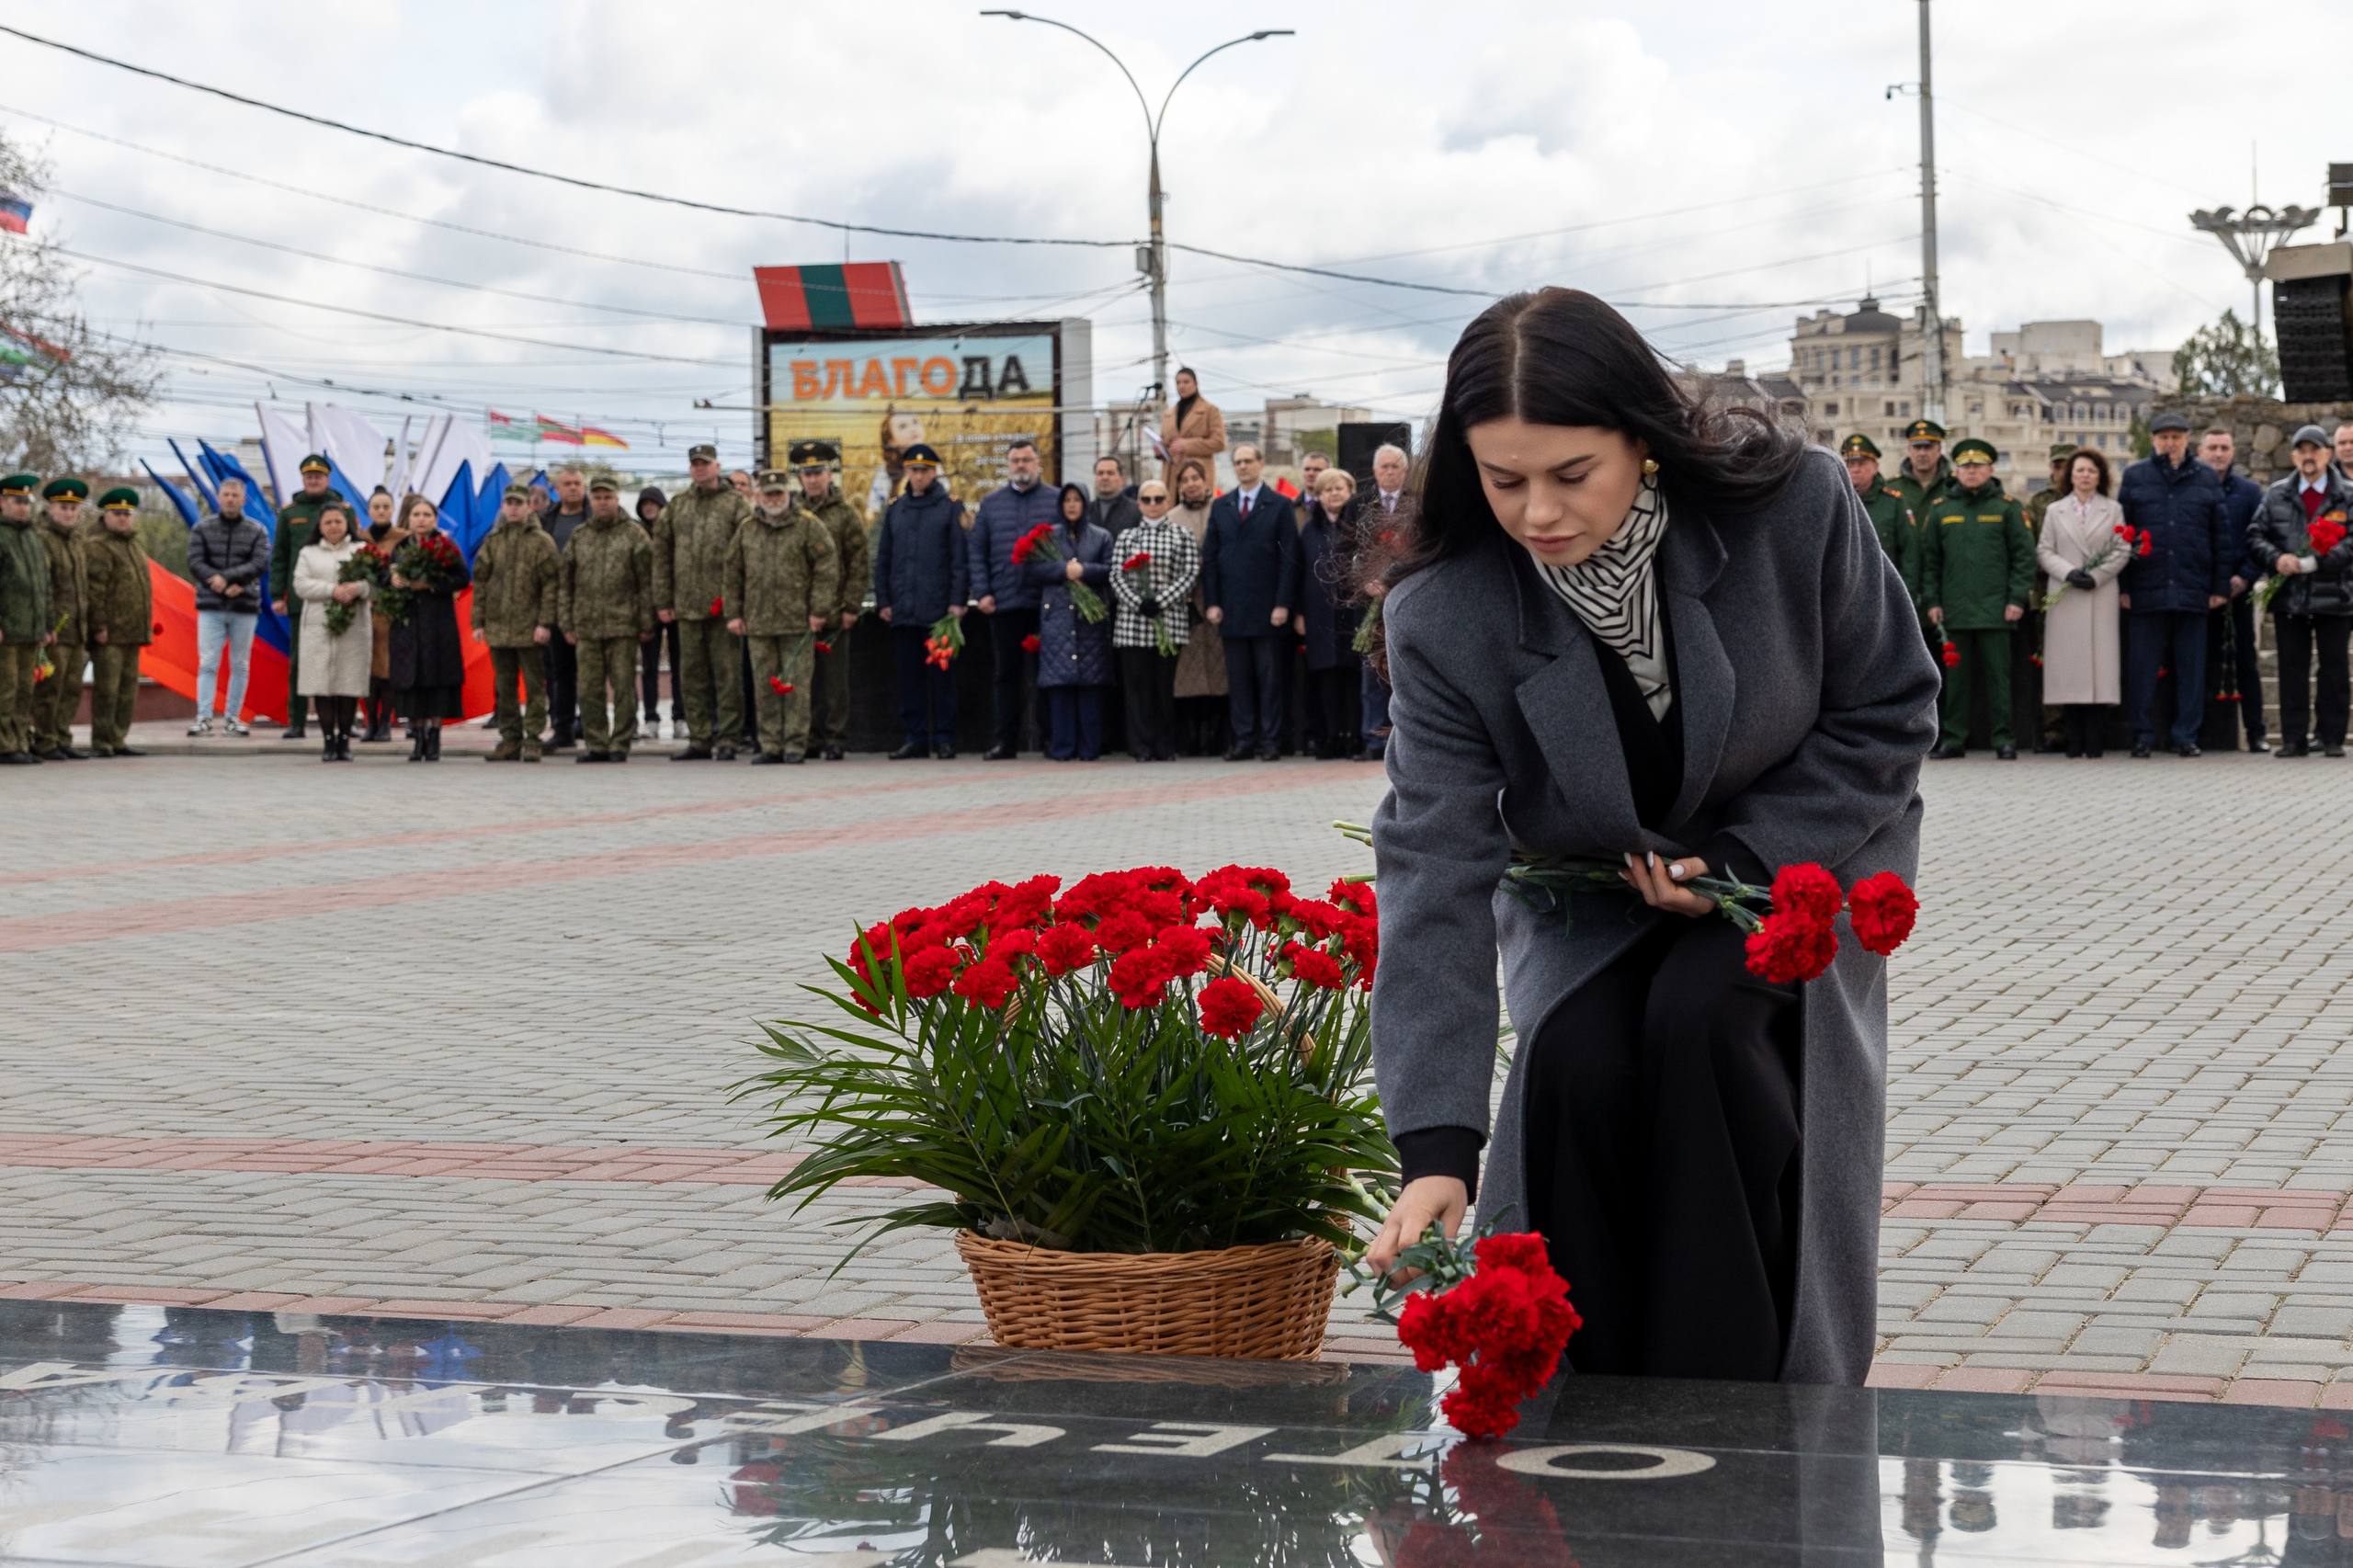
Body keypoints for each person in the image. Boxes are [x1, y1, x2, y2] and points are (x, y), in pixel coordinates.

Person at [1360, 286, 1938, 1386]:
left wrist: (1742, 861)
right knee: (1575, 1058)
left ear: (1645, 442)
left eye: (1569, 474)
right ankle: (1592, 1408)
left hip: (1796, 866)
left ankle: (1739, 1401)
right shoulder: (1444, 612)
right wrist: (1436, 1146)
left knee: (1704, 1023)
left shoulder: (1794, 508)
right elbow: (1430, 858)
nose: (1537, 513)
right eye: (1502, 479)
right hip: (1595, 894)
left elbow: (1890, 706)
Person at [2118, 411, 2230, 758]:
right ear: (2153, 440)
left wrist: (2220, 586)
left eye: (2176, 437)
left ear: (2187, 440)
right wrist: (2123, 586)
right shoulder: (2135, 476)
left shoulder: (2207, 478)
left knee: (2191, 668)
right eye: (2164, 437)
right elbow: (2121, 536)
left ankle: (2186, 735)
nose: (2170, 443)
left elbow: (2221, 536)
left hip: (2192, 585)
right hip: (2146, 588)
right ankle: (2142, 734)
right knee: (2142, 668)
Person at [1921, 437, 2031, 760]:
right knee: (1955, 682)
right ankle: (1953, 739)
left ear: (1991, 470)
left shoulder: (2007, 507)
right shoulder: (1942, 510)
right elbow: (1931, 562)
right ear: (1956, 471)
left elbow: (2023, 557)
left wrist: (2017, 599)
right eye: (1965, 467)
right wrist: (1933, 601)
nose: (1971, 472)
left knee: (2000, 679)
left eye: (1977, 466)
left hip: (1997, 610)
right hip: (1954, 610)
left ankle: (2004, 739)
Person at [2250, 424, 2353, 757]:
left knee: (2334, 668)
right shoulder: (2277, 493)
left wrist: (2318, 563)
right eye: (2302, 451)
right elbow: (2255, 535)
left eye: (2315, 450)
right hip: (2289, 596)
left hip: (2334, 595)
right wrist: (2277, 558)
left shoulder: (2347, 494)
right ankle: (2293, 738)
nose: (2309, 457)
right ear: (2294, 456)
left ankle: (2331, 737)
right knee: (2291, 668)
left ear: (2327, 453)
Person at [726, 470, 839, 765]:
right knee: (765, 685)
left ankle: (795, 744)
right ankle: (770, 744)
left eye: (779, 493)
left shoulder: (808, 526)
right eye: (768, 494)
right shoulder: (747, 529)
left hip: (797, 622)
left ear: (788, 494)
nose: (774, 499)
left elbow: (826, 569)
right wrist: (734, 613)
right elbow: (733, 573)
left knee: (796, 686)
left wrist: (819, 610)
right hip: (758, 621)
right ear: (759, 497)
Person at [654, 442, 755, 761]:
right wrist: (663, 600)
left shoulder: (735, 505)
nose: (700, 468)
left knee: (727, 675)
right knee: (692, 676)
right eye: (695, 463)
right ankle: (699, 737)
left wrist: (740, 603)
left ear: (717, 466)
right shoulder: (677, 506)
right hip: (686, 606)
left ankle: (728, 737)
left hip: (723, 606)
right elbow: (661, 556)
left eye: (705, 463)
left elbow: (748, 555)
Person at [1202, 442, 1299, 761]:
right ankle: (1244, 739)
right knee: (1239, 681)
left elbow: (1289, 559)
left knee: (1270, 681)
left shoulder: (1280, 505)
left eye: (1248, 461)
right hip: (1231, 609)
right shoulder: (1222, 506)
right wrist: (1213, 602)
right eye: (1238, 462)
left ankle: (1271, 741)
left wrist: (1283, 603)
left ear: (1260, 463)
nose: (1243, 467)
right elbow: (1211, 559)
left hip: (1269, 610)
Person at [871, 443, 966, 759]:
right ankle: (915, 738)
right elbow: (884, 558)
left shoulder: (951, 506)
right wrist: (883, 599)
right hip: (903, 609)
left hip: (939, 613)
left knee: (942, 679)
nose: (919, 476)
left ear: (935, 472)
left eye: (924, 470)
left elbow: (959, 560)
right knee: (909, 679)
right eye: (913, 470)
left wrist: (957, 602)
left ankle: (945, 738)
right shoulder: (896, 507)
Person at [967, 437, 1059, 759]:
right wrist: (982, 592)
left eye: (1027, 460)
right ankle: (1005, 742)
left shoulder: (1056, 500)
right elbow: (977, 551)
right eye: (1016, 461)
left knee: (1048, 675)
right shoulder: (992, 504)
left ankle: (1050, 740)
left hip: (1045, 604)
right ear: (1008, 466)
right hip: (1004, 603)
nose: (1021, 465)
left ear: (1038, 464)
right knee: (1006, 676)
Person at [2035, 449, 2127, 757]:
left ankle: (2095, 740)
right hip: (2067, 593)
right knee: (2069, 668)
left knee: (2099, 668)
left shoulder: (2112, 509)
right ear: (2069, 476)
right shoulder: (2055, 511)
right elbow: (2045, 550)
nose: (2085, 476)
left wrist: (2098, 575)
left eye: (2091, 471)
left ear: (2100, 475)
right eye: (2079, 471)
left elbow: (2121, 549)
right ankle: (2073, 740)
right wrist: (2069, 573)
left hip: (2099, 593)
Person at [560, 472, 656, 764]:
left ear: (617, 499)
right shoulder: (580, 536)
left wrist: (646, 622)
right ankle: (597, 742)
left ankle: (621, 743)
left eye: (608, 498)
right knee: (588, 689)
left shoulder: (634, 534)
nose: (603, 503)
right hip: (587, 626)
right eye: (598, 498)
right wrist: (566, 622)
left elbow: (646, 583)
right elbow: (566, 584)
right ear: (591, 501)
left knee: (624, 687)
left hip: (623, 625)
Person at [1109, 476, 1200, 763]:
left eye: (1158, 499)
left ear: (1167, 502)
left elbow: (1189, 574)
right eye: (1146, 499)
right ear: (1138, 504)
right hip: (1132, 623)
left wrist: (1160, 600)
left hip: (1169, 620)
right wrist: (1138, 602)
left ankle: (1165, 744)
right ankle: (1140, 745)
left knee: (1164, 685)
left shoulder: (1181, 535)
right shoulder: (1127, 537)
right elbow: (1116, 575)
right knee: (1137, 687)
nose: (1152, 505)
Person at [472, 483, 559, 764]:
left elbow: (551, 585)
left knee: (534, 686)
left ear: (528, 507)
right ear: (503, 507)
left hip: (530, 627)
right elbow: (481, 584)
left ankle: (533, 738)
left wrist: (545, 622)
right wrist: (479, 622)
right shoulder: (493, 542)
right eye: (509, 503)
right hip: (499, 627)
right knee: (504, 687)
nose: (513, 508)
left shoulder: (541, 541)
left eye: (518, 504)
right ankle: (510, 739)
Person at [1026, 482, 1112, 761]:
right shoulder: (1049, 536)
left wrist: (1084, 570)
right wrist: (1063, 569)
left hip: (1090, 618)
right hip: (1058, 618)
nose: (1072, 505)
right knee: (1060, 685)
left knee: (1090, 684)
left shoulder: (1101, 536)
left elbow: (1111, 571)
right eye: (1067, 500)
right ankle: (1063, 748)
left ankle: (1090, 748)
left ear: (1085, 504)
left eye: (1077, 500)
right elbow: (1034, 570)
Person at [792, 441, 867, 761]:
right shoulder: (791, 512)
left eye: (818, 472)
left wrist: (852, 605)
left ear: (829, 474)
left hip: (835, 612)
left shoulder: (845, 514)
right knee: (802, 680)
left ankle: (836, 737)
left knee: (834, 681)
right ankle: (809, 736)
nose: (813, 480)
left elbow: (858, 563)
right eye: (807, 474)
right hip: (796, 613)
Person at [2200, 427, 2269, 754]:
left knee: (2246, 662)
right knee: (2199, 662)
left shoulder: (2249, 491)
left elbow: (2258, 539)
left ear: (2232, 452)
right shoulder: (2193, 487)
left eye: (2224, 447)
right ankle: (2201, 731)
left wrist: (2244, 577)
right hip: (2201, 593)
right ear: (2201, 451)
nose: (2218, 453)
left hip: (2239, 591)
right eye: (2212, 447)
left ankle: (2256, 732)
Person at [186, 476, 269, 737]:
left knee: (240, 664)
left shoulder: (257, 530)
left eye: (235, 495)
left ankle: (233, 717)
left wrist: (234, 581)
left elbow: (259, 562)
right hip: (211, 604)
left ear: (243, 500)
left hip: (244, 605)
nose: (231, 499)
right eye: (226, 495)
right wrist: (217, 581)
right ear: (219, 498)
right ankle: (204, 717)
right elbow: (195, 560)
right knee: (208, 662)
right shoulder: (202, 529)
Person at [268, 455, 346, 738]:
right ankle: (297, 721)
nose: (313, 480)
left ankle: (342, 722)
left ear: (327, 479)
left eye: (319, 476)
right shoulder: (290, 513)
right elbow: (279, 556)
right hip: (303, 601)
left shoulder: (343, 510)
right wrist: (278, 594)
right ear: (303, 479)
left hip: (340, 600)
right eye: (308, 476)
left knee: (341, 660)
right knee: (300, 662)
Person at [389, 493, 470, 760]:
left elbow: (461, 578)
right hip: (408, 621)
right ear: (408, 519)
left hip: (438, 622)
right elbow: (385, 577)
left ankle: (435, 736)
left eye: (427, 515)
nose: (421, 520)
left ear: (435, 519)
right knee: (413, 678)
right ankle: (418, 735)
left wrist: (432, 585)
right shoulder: (401, 548)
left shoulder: (445, 546)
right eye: (416, 515)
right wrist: (395, 581)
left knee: (436, 677)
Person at [290, 499, 370, 761]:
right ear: (320, 526)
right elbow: (301, 585)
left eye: (338, 521)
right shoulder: (308, 553)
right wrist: (332, 591)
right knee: (321, 684)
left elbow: (376, 583)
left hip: (353, 625)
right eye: (328, 522)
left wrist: (357, 589)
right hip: (318, 625)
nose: (334, 526)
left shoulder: (362, 550)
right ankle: (327, 742)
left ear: (347, 523)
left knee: (348, 683)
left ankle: (344, 742)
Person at [1294, 467, 1363, 758]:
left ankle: (1354, 737)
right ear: (1319, 496)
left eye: (1339, 488)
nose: (1334, 494)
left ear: (1350, 492)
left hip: (1353, 610)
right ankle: (1329, 737)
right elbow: (1297, 571)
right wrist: (1298, 612)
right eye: (1327, 489)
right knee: (1325, 678)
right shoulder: (1309, 529)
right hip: (1319, 612)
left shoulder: (1359, 525)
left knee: (1353, 676)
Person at [80, 488, 153, 760]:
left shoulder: (133, 544)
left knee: (126, 689)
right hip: (109, 632)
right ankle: (102, 740)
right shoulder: (98, 545)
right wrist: (98, 626)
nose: (123, 519)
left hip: (132, 630)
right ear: (106, 515)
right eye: (117, 514)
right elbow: (95, 590)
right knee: (107, 690)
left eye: (127, 514)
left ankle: (118, 737)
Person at [1166, 459, 1227, 755]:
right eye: (1185, 479)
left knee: (1219, 670)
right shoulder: (1171, 518)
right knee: (1188, 674)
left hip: (1216, 601)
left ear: (1205, 481)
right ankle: (1190, 739)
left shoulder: (1221, 510)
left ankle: (1217, 737)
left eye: (1195, 478)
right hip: (1184, 604)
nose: (1191, 483)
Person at [30, 476, 90, 760]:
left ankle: (62, 736)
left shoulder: (76, 540)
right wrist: (47, 624)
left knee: (71, 686)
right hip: (56, 628)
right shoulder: (43, 538)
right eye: (63, 507)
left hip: (77, 627)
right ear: (50, 508)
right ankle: (45, 739)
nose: (68, 513)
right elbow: (43, 586)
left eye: (73, 508)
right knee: (50, 689)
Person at [1359, 444, 1412, 760]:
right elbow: (1348, 548)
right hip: (1369, 604)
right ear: (1375, 471)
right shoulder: (1362, 506)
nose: (1389, 472)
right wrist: (1366, 581)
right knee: (1370, 674)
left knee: (1402, 674)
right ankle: (1371, 739)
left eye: (1395, 467)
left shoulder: (1417, 504)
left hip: (1406, 598)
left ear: (1404, 471)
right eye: (1384, 467)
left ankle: (1403, 741)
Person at [0, 472, 54, 765]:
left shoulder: (32, 537)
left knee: (24, 690)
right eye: (16, 501)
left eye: (26, 501)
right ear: (3, 502)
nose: (23, 507)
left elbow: (44, 585)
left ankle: (19, 741)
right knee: (5, 691)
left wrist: (47, 624)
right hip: (7, 630)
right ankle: (4, 745)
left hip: (30, 630)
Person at [538, 464, 591, 750]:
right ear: (557, 490)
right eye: (567, 484)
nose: (572, 488)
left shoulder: (593, 518)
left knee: (591, 671)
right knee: (560, 672)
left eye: (577, 483)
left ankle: (591, 725)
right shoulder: (547, 520)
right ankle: (562, 728)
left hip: (590, 607)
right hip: (557, 607)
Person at [632, 486, 677, 740]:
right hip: (648, 609)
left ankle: (680, 716)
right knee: (648, 666)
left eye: (654, 503)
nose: (649, 508)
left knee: (680, 665)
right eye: (645, 504)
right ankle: (650, 717)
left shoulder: (673, 531)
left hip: (674, 606)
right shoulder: (636, 534)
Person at [359, 489, 400, 742]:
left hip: (389, 610)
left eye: (386, 506)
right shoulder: (359, 539)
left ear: (392, 509)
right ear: (369, 510)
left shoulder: (402, 539)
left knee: (387, 669)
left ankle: (386, 721)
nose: (381, 511)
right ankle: (370, 722)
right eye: (377, 507)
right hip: (362, 610)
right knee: (365, 670)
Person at [1158, 367, 1225, 481]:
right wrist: (1160, 450)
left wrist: (1187, 445)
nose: (1181, 386)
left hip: (1197, 475)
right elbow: (1165, 442)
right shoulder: (1168, 415)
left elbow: (1219, 443)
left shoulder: (1210, 410)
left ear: (1195, 383)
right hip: (1172, 478)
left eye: (1186, 382)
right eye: (1178, 382)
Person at [866, 407, 924, 519]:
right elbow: (872, 508)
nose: (913, 429)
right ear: (891, 441)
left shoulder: (933, 464)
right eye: (903, 426)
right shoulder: (886, 470)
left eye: (915, 422)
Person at [1090, 455, 1140, 540]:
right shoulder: (1085, 510)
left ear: (1121, 478)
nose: (1105, 477)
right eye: (1100, 473)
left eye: (1110, 473)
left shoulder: (1136, 510)